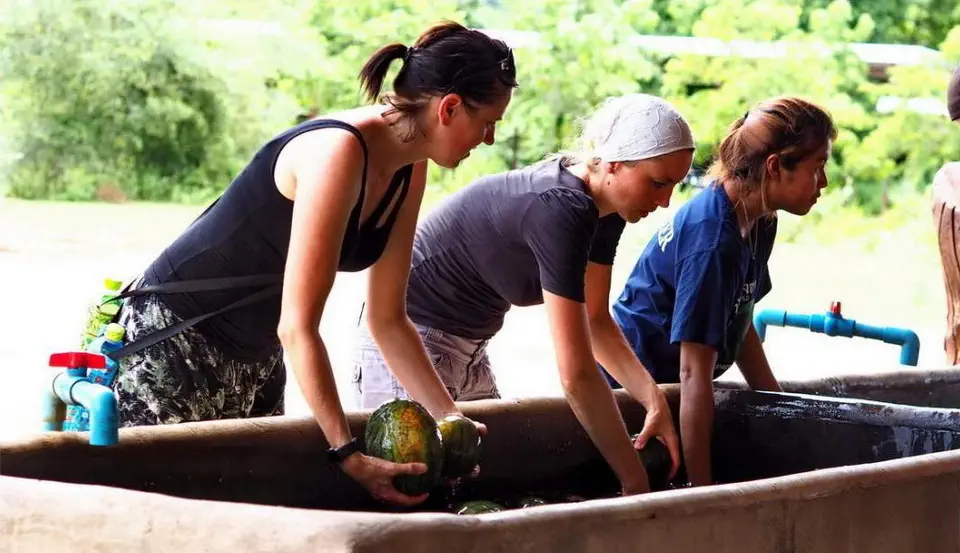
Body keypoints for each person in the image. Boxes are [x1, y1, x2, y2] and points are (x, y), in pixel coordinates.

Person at [109, 21, 517, 507]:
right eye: (487, 122)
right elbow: (298, 327)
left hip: (254, 357)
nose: (489, 139)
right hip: (177, 339)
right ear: (449, 108)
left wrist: (449, 416)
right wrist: (346, 453)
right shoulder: (338, 153)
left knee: (247, 513)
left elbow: (388, 319)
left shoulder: (411, 167)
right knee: (162, 510)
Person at [354, 93, 692, 495]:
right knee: (419, 492)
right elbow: (577, 375)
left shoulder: (607, 209)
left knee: (484, 486)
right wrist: (633, 481)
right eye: (657, 183)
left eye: (673, 185)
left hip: (469, 346)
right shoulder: (563, 207)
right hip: (407, 341)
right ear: (614, 163)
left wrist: (654, 400)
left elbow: (596, 321)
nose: (665, 201)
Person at [608, 97, 837, 487]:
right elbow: (693, 373)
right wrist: (704, 494)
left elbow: (739, 318)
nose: (824, 183)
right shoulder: (714, 241)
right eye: (818, 168)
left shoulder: (760, 219)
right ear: (775, 167)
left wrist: (782, 412)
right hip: (635, 396)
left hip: (679, 389)